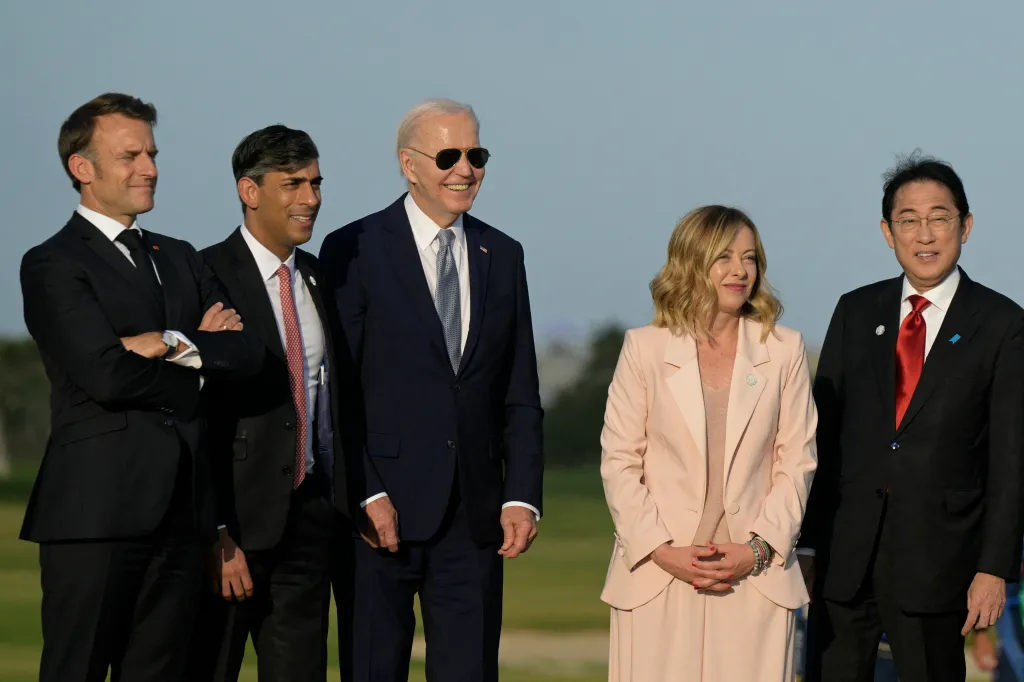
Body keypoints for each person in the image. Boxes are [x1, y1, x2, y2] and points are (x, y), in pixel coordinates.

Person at [19, 92, 263, 682]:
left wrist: (166, 341)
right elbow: (104, 374)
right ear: (82, 167)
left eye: (151, 153)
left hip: (182, 518)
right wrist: (197, 361)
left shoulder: (179, 257)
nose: (149, 168)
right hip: (94, 515)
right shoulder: (53, 263)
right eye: (130, 156)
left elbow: (245, 352)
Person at [318, 98, 544, 682]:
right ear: (408, 164)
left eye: (476, 155)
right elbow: (338, 391)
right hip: (379, 516)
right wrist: (365, 491)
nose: (465, 169)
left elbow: (519, 387)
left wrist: (521, 495)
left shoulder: (504, 254)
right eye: (448, 156)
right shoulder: (353, 248)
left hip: (475, 520)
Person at [798, 152, 1024, 682]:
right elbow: (820, 439)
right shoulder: (856, 311)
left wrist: (993, 569)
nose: (925, 234)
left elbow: (1011, 460)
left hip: (939, 565)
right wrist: (806, 545)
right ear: (887, 231)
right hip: (845, 561)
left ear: (965, 226)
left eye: (939, 218)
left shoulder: (1002, 324)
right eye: (908, 220)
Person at [599, 205, 818, 681]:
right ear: (691, 261)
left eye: (749, 257)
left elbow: (797, 463)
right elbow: (619, 462)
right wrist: (661, 551)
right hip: (657, 575)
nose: (740, 270)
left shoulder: (785, 350)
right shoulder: (644, 348)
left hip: (754, 577)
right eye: (724, 256)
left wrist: (757, 550)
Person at [185, 125, 350, 681]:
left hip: (309, 523)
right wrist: (215, 532)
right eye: (293, 184)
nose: (311, 198)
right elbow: (193, 418)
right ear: (249, 191)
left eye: (316, 183)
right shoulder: (201, 275)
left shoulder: (321, 278)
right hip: (231, 531)